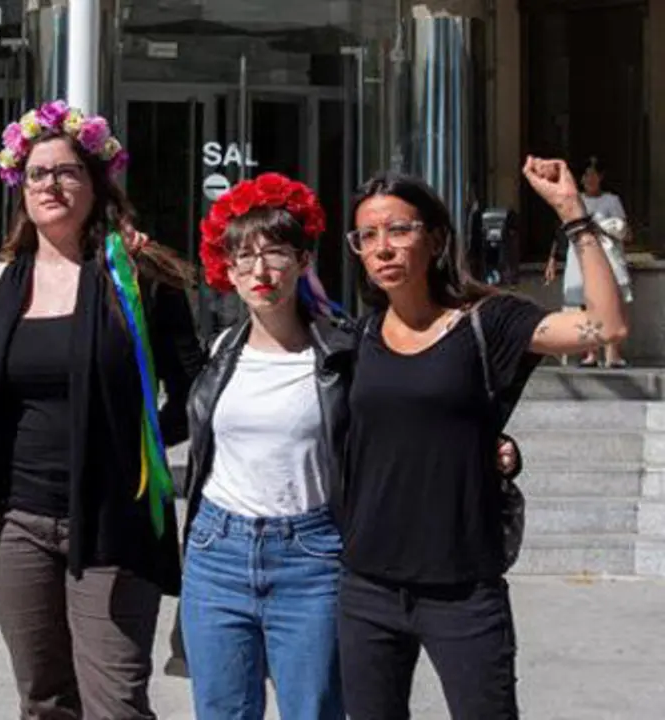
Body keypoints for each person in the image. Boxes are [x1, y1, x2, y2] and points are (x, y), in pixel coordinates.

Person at [176, 173, 524, 720]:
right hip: (216, 550)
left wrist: (487, 440)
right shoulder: (218, 352)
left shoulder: (345, 350)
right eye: (242, 257)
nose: (259, 271)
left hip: (311, 553)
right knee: (220, 711)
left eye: (274, 254)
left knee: (314, 709)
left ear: (304, 260)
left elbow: (406, 408)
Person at [336, 158, 627, 719]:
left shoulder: (486, 323)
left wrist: (573, 214)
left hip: (462, 588)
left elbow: (607, 327)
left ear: (437, 238)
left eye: (399, 230)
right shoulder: (358, 336)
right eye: (367, 236)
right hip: (367, 587)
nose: (383, 248)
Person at [0, 99, 204, 719]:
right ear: (20, 188)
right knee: (43, 701)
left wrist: (139, 443)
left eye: (67, 171)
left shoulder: (141, 277)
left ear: (96, 181)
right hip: (16, 524)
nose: (51, 184)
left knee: (116, 703)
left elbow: (196, 391)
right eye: (38, 173)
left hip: (114, 523)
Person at [544, 157, 633, 367]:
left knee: (612, 300)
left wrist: (605, 226)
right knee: (586, 302)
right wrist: (552, 259)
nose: (589, 179)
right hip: (580, 255)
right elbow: (561, 232)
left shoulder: (611, 201)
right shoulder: (575, 200)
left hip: (608, 254)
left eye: (593, 174)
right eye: (585, 175)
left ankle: (613, 354)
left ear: (601, 177)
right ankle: (590, 353)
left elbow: (624, 230)